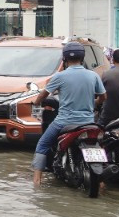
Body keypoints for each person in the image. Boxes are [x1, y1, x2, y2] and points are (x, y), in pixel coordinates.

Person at [32, 42, 106, 186]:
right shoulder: (93, 75)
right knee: (100, 145)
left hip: (64, 122)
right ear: (83, 57)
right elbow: (103, 97)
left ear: (64, 59)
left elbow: (43, 95)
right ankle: (102, 184)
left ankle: (37, 182)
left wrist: (36, 102)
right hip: (88, 121)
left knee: (42, 144)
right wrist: (93, 103)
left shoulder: (60, 76)